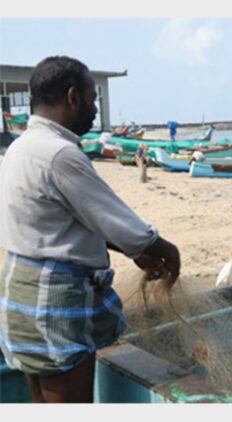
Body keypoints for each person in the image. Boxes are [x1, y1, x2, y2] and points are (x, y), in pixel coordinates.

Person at [0, 56, 181, 403]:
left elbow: (64, 224)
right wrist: (162, 250)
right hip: (53, 303)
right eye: (92, 98)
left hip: (18, 294)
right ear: (72, 97)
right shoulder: (59, 154)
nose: (96, 109)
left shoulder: (19, 147)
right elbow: (117, 220)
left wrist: (137, 253)